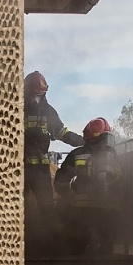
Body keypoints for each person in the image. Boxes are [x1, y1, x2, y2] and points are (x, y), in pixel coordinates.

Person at [23, 71, 82, 249]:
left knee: (47, 207)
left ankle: (48, 245)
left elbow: (62, 133)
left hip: (40, 169)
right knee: (17, 209)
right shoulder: (16, 108)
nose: (36, 98)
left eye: (39, 95)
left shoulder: (48, 112)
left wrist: (84, 142)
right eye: (33, 94)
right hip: (19, 169)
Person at [55, 117, 123, 256]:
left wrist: (68, 196)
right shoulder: (116, 158)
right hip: (110, 210)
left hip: (81, 208)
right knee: (106, 245)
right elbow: (121, 185)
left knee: (75, 241)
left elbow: (61, 181)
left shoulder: (78, 154)